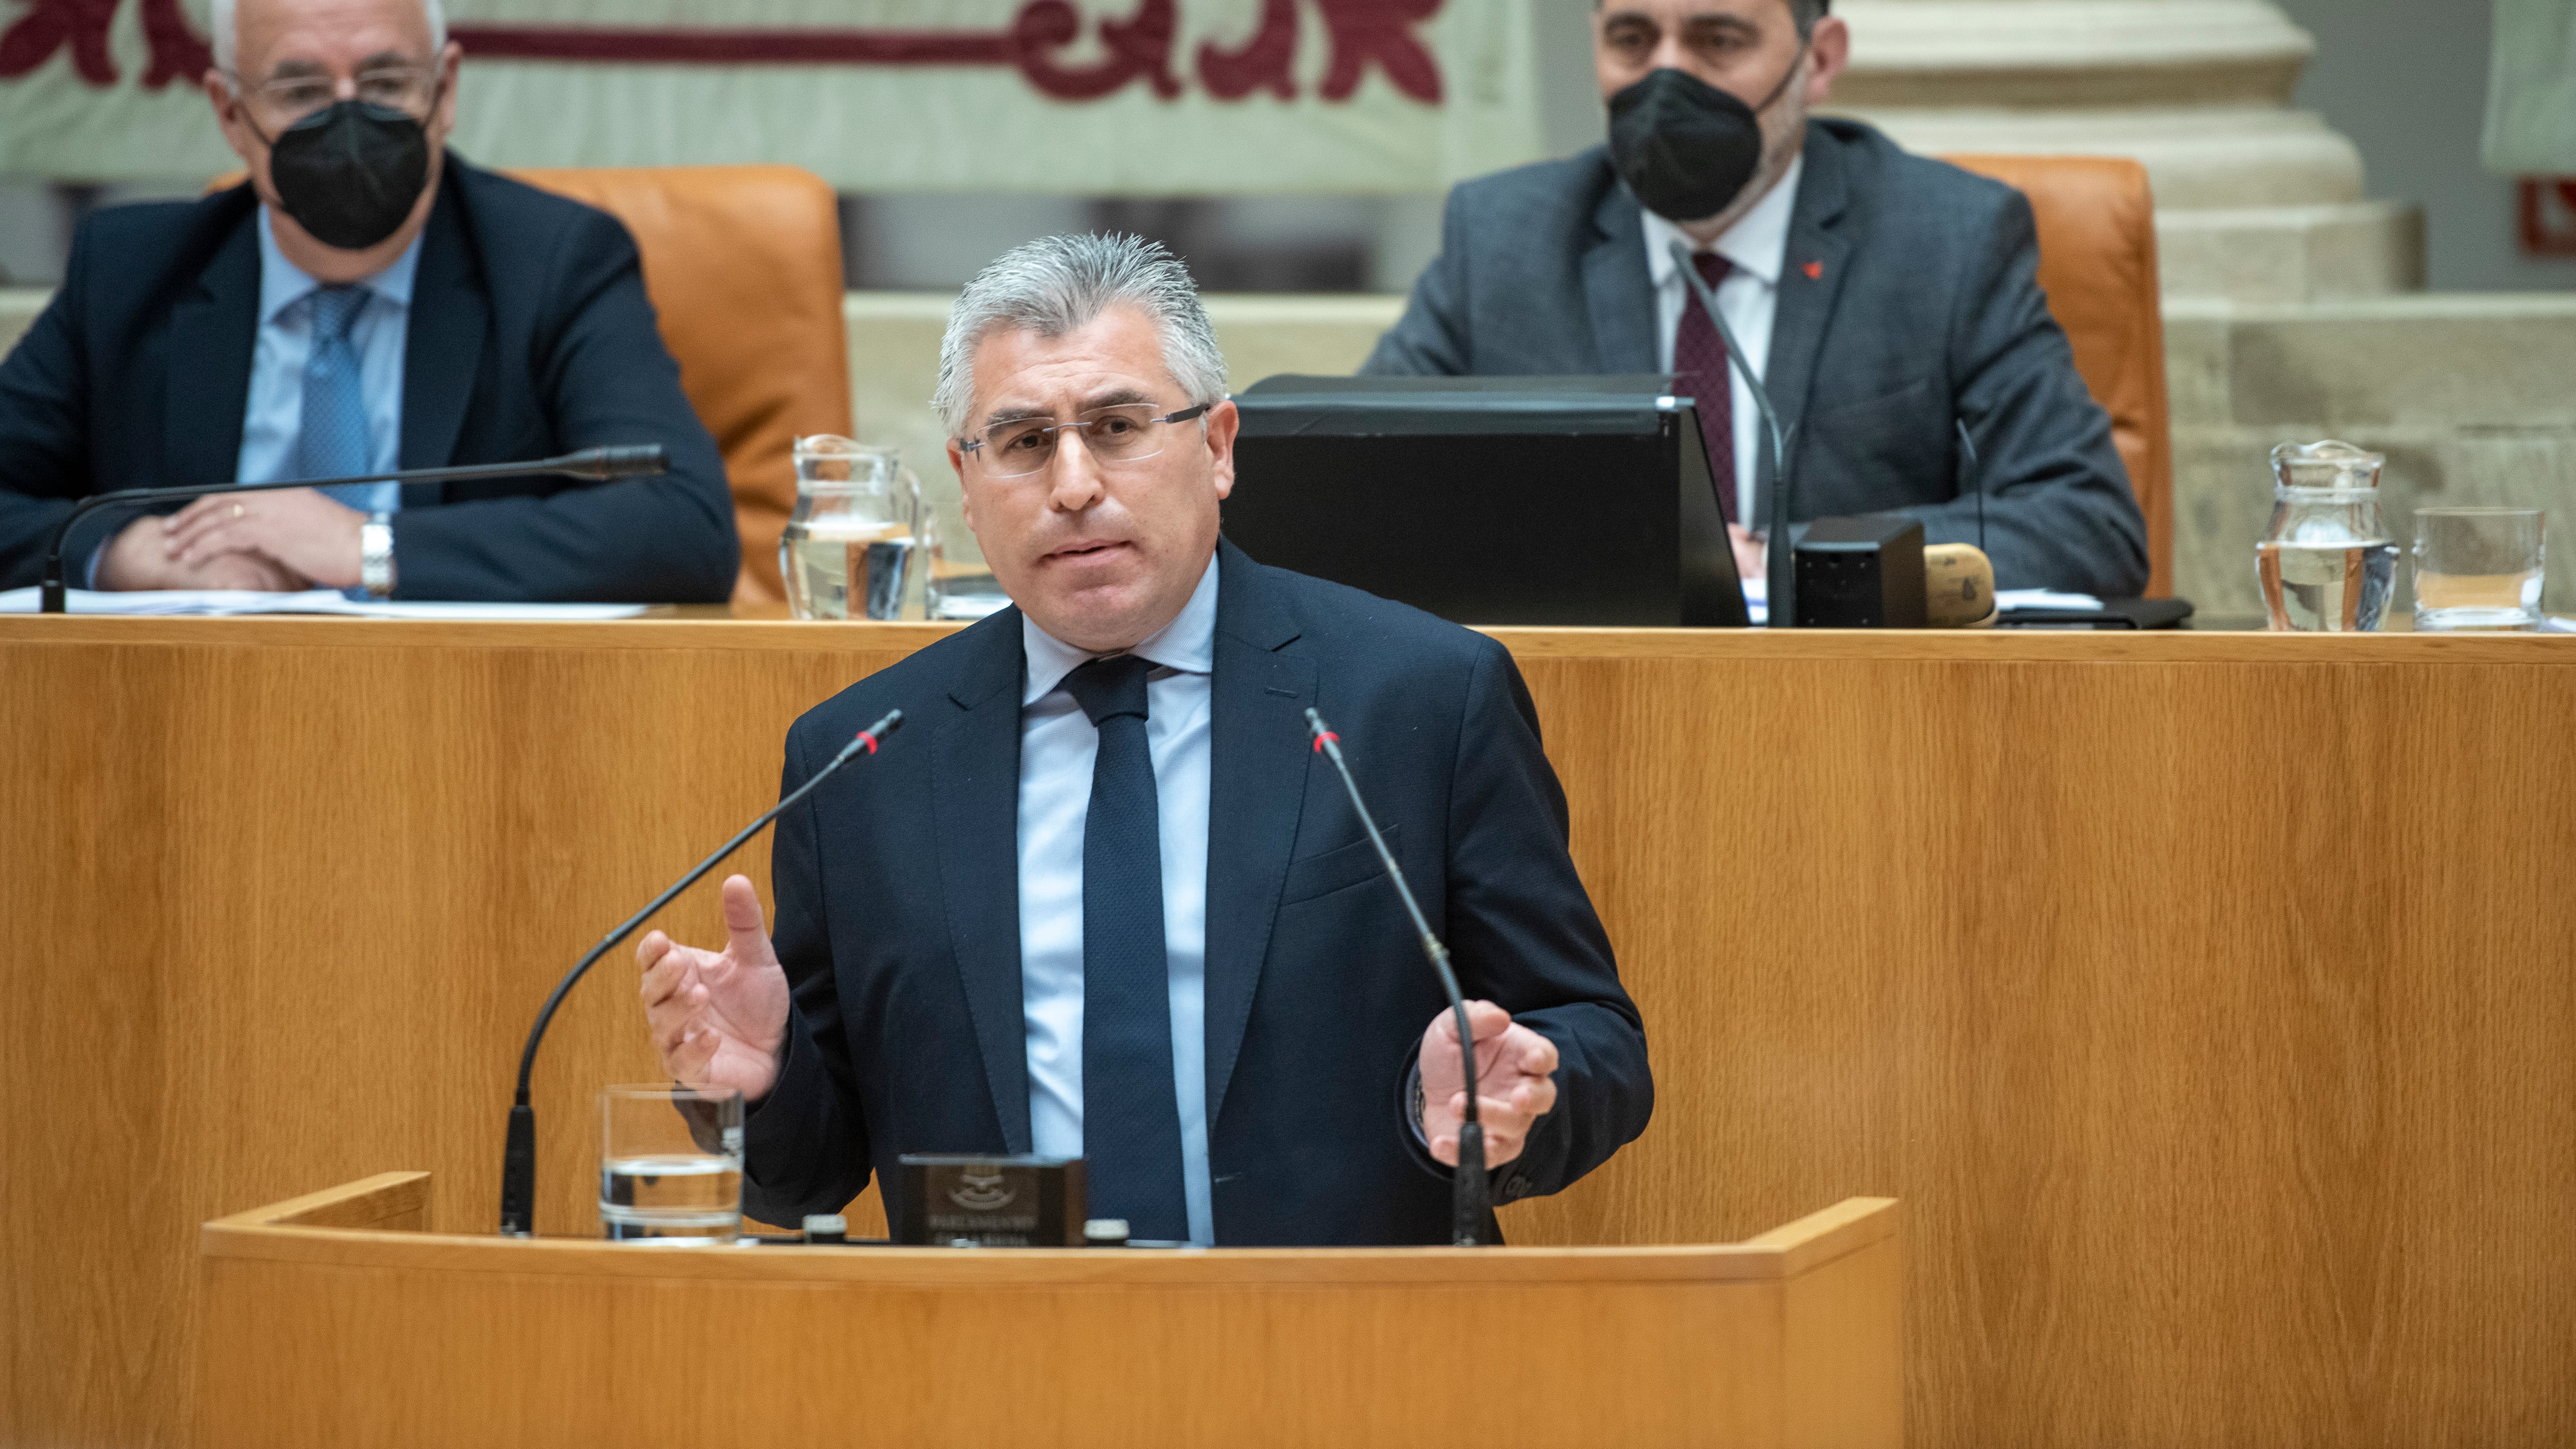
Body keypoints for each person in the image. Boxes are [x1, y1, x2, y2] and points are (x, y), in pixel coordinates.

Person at [636, 234, 1652, 1247]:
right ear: (966, 482)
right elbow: (810, 1176)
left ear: (1216, 448)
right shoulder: (862, 757)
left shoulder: (1418, 697)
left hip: (1341, 1356)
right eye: (1025, 442)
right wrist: (761, 1087)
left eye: (1117, 427)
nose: (1074, 484)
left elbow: (1595, 1039)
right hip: (996, 1363)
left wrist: (1517, 1096)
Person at [1365, 0, 2150, 600]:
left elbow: (2087, 524)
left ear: (1819, 59)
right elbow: (1349, 478)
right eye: (1633, 39)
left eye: (1719, 40)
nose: (1667, 81)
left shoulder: (1946, 242)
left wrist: (1780, 558)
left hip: (1860, 727)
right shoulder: (1506, 240)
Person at [0, 0, 736, 601]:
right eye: (302, 93)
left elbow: (684, 522)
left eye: (385, 84)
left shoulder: (552, 262)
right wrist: (125, 554)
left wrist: (364, 546)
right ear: (229, 112)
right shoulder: (131, 271)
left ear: (445, 92)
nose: (348, 126)